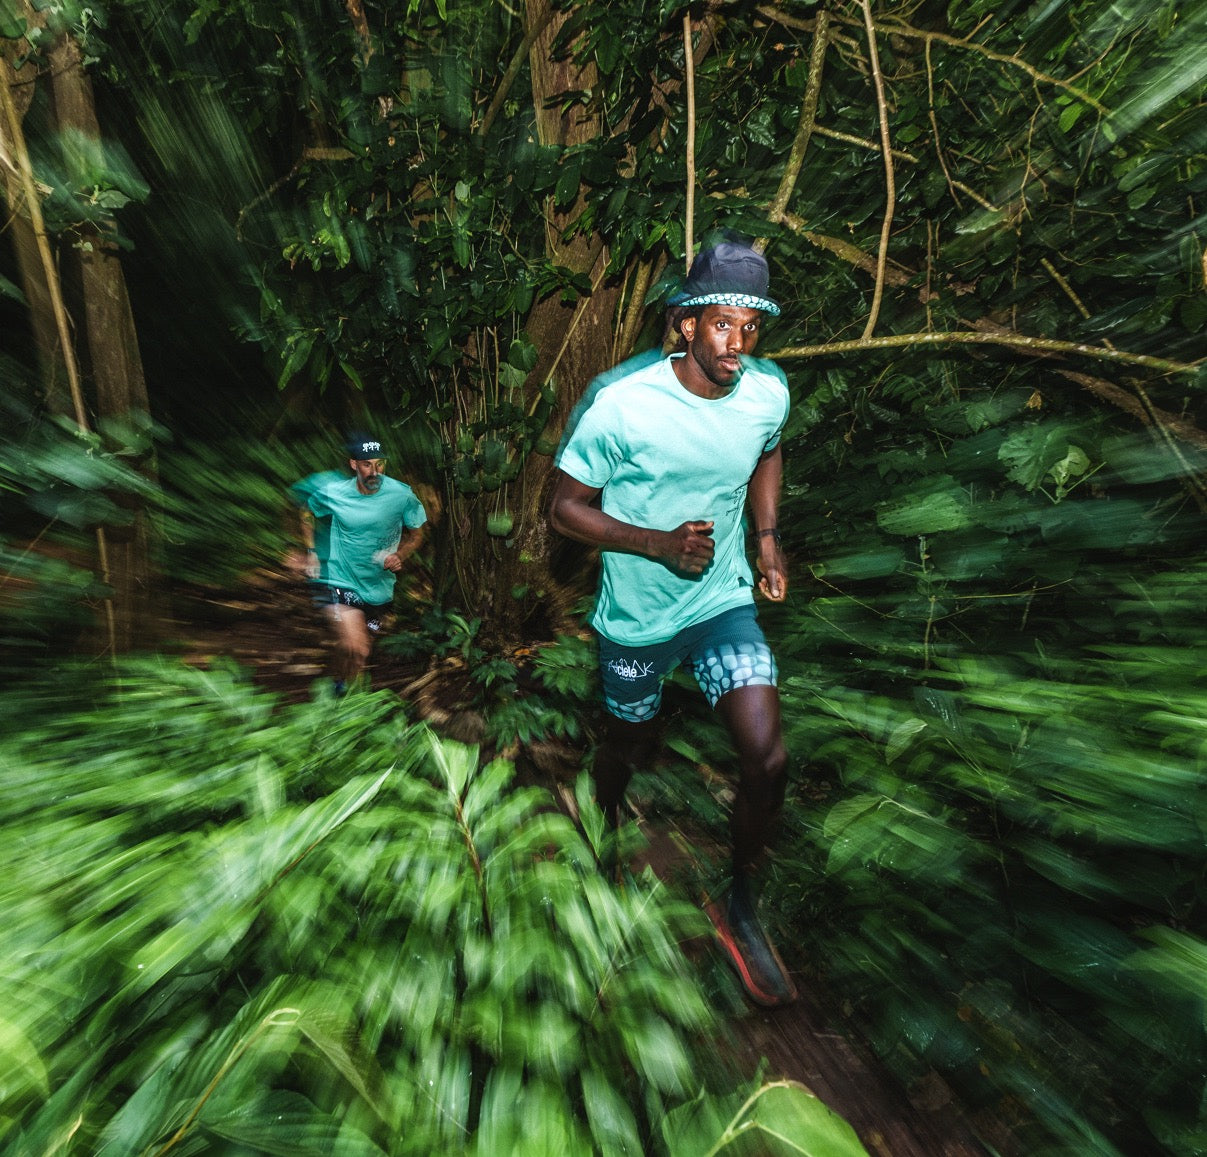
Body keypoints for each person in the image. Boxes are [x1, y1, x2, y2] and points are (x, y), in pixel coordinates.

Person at [549, 237, 797, 1007]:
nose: (738, 344)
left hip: (720, 600)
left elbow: (767, 451)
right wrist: (653, 542)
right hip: (636, 617)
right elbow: (560, 508)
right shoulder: (622, 403)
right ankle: (603, 813)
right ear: (686, 323)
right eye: (722, 325)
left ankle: (740, 905)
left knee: (765, 757)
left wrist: (763, 538)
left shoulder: (766, 391)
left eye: (750, 329)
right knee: (629, 741)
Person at [289, 433, 428, 693]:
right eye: (367, 464)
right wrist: (308, 551)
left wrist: (400, 555)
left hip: (376, 584)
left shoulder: (399, 495)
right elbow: (304, 509)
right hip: (335, 577)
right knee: (357, 646)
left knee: (357, 651)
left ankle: (340, 688)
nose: (374, 471)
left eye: (380, 464)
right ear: (353, 464)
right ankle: (342, 700)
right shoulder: (329, 489)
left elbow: (417, 533)